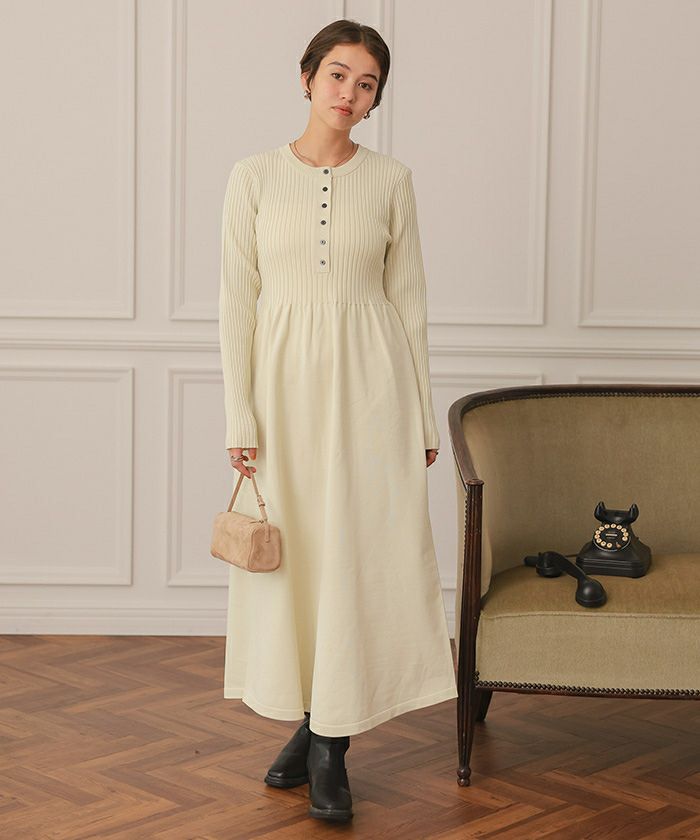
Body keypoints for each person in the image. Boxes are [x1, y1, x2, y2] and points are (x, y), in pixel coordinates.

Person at [218, 19, 457, 823]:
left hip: (373, 388)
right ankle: (312, 724)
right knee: (301, 563)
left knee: (361, 558)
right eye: (337, 74)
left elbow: (410, 303)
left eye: (366, 83)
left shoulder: (392, 180)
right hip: (283, 391)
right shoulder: (251, 177)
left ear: (376, 97)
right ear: (307, 77)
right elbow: (237, 303)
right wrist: (240, 411)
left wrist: (421, 415)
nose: (349, 92)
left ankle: (329, 746)